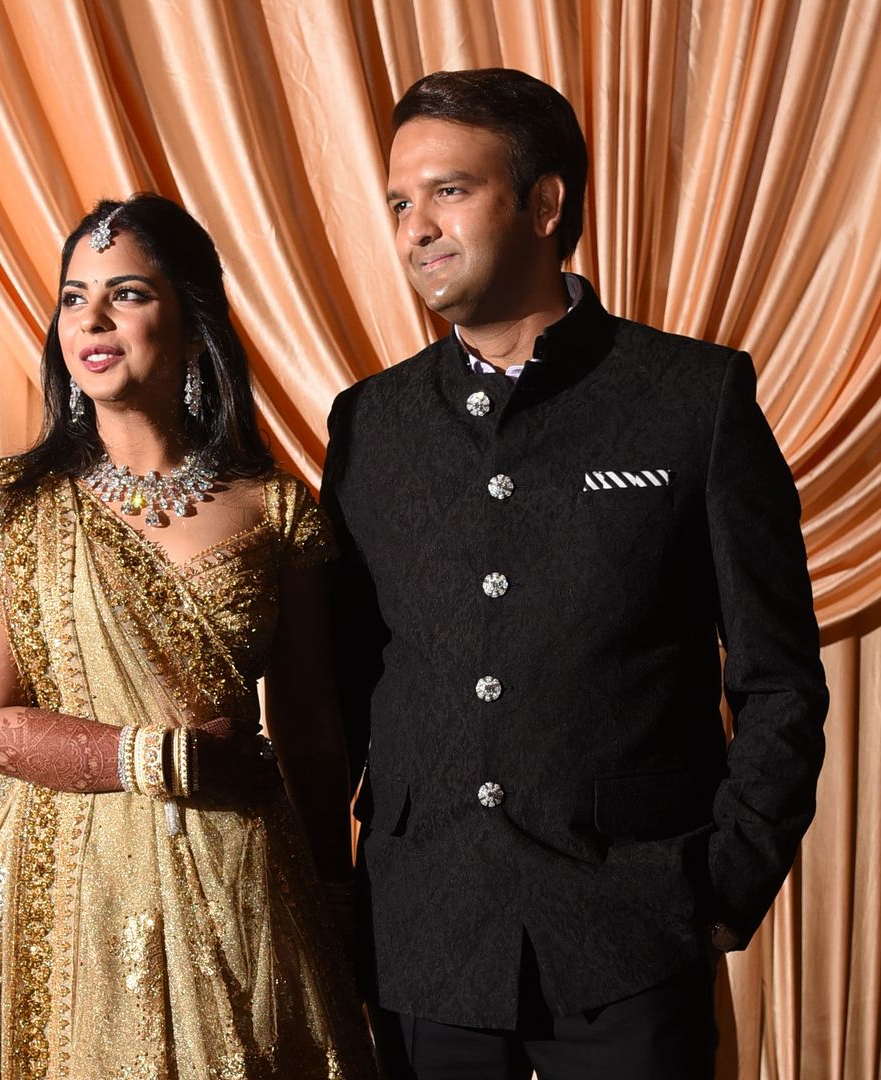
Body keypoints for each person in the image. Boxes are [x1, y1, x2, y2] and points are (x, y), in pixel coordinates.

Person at [321, 68, 828, 1079]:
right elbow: (337, 690)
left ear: (546, 202)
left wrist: (725, 885)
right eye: (398, 202)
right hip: (425, 936)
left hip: (631, 928)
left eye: (449, 190)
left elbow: (778, 679)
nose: (417, 225)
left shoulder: (694, 397)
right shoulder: (368, 425)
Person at [0, 194, 375, 1079]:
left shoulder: (275, 508)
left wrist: (335, 903)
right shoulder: (14, 507)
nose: (90, 317)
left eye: (126, 293)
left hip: (241, 884)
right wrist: (162, 761)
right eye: (73, 296)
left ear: (194, 322)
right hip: (65, 882)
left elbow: (316, 739)